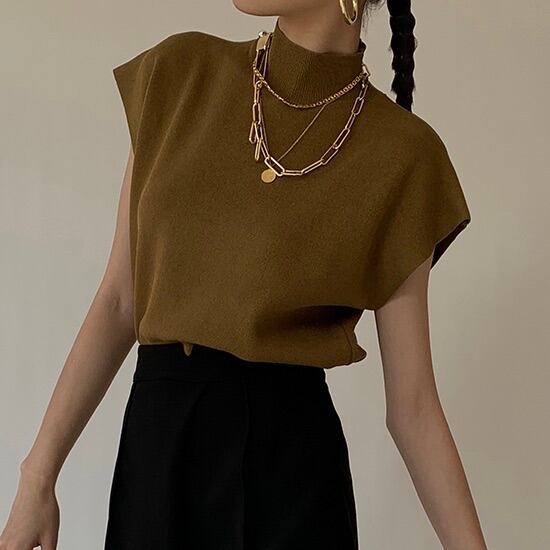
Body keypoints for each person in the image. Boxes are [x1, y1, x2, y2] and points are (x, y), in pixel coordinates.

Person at [0, 1, 488, 549]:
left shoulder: (404, 155)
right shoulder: (181, 74)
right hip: (160, 462)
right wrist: (37, 477)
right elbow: (121, 300)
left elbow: (413, 406)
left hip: (293, 484)